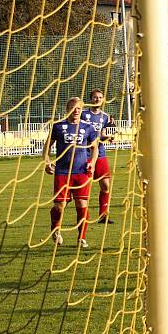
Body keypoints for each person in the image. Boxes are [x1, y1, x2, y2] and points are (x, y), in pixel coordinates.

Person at [43, 97, 99, 248]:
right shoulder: (58, 126)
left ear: (81, 110)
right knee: (59, 207)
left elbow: (95, 148)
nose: (76, 111)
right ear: (67, 109)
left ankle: (81, 238)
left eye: (79, 108)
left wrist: (92, 164)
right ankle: (55, 229)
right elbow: (47, 146)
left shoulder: (88, 127)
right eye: (73, 108)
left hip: (81, 172)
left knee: (82, 205)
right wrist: (47, 162)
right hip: (62, 172)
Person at [82, 89, 117, 223]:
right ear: (91, 99)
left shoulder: (105, 117)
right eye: (95, 97)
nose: (97, 99)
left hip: (100, 153)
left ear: (103, 100)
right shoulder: (83, 115)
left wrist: (109, 137)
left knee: (106, 185)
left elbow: (106, 133)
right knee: (83, 186)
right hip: (85, 155)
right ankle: (82, 216)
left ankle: (103, 215)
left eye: (100, 97)